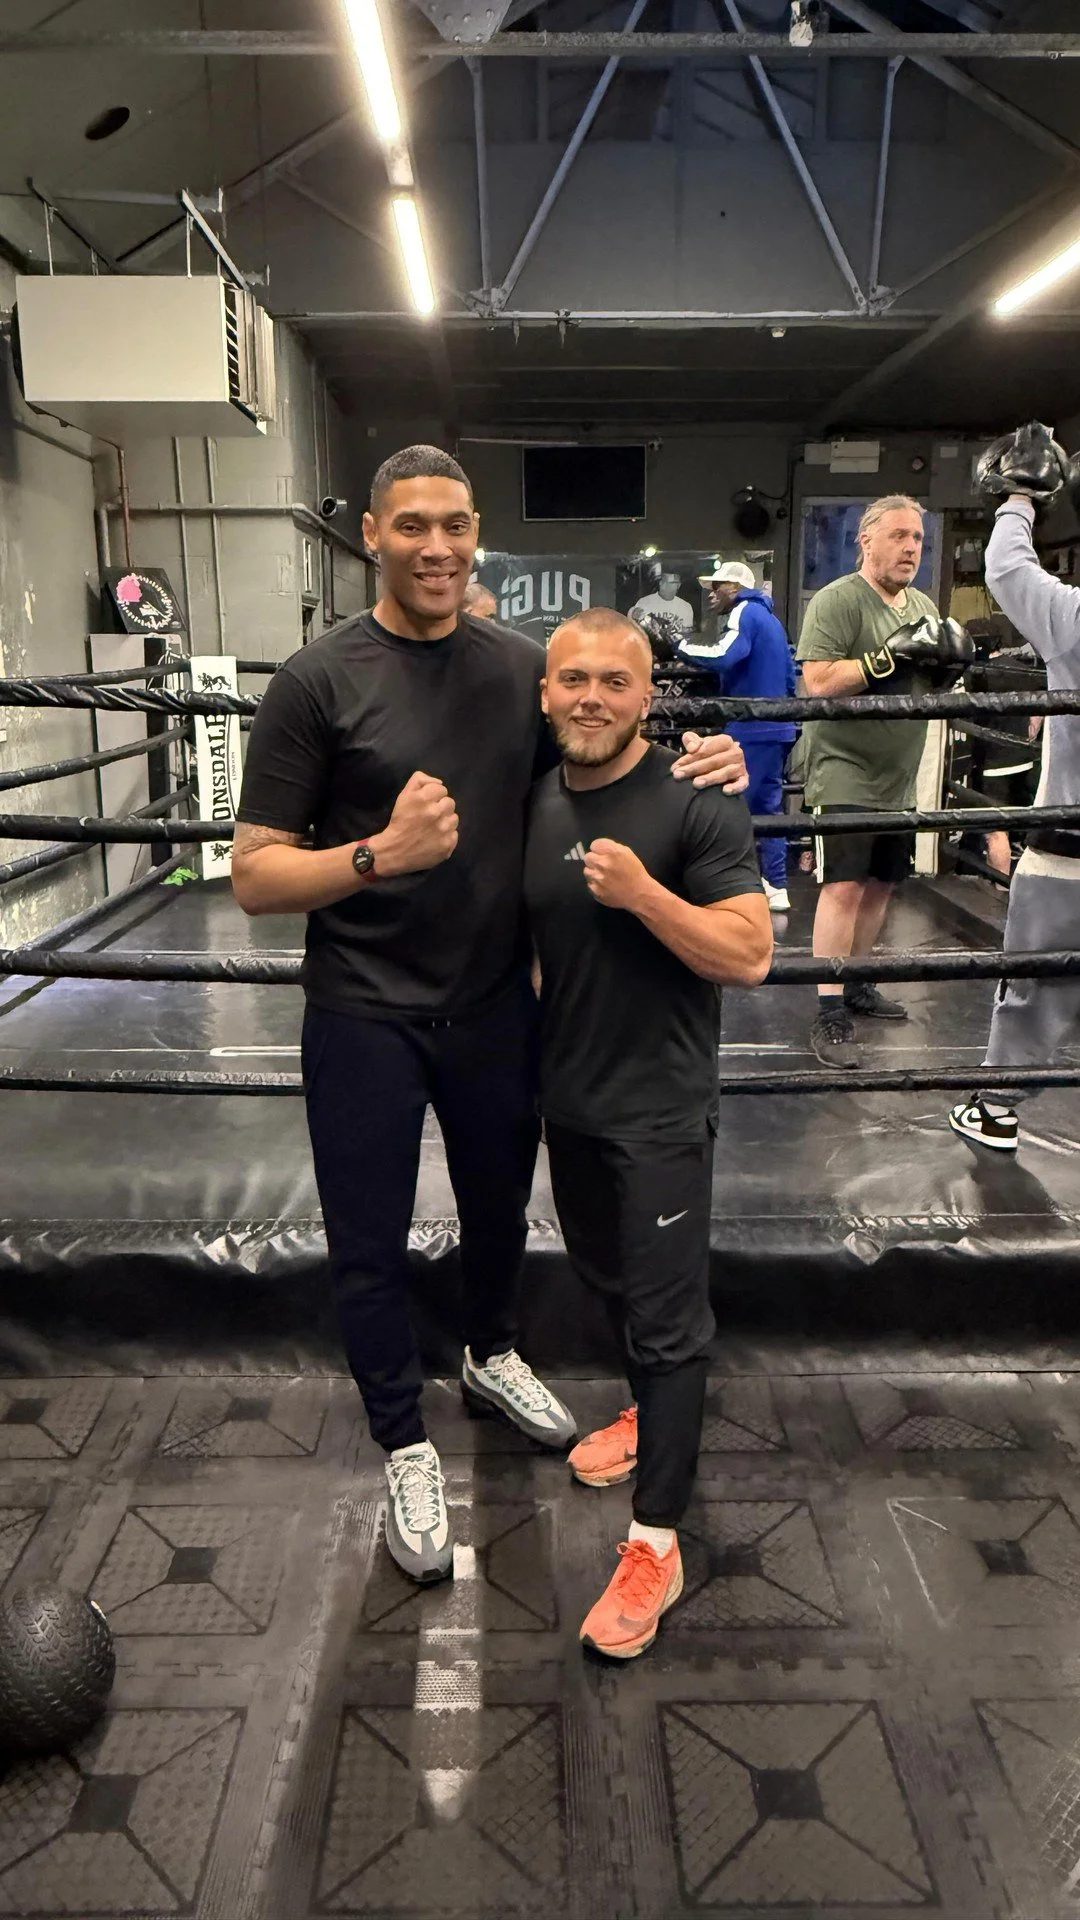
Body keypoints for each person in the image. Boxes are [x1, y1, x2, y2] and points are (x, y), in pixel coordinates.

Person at [230, 444, 750, 1586]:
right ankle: (403, 1444)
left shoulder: (521, 668)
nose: (437, 547)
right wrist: (377, 853)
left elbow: (603, 743)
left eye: (456, 525)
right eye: (412, 525)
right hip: (362, 1011)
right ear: (372, 533)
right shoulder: (315, 681)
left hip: (494, 1006)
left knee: (501, 1213)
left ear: (477, 535)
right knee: (368, 1240)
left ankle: (490, 1352)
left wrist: (703, 761)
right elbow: (255, 877)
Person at [525, 609, 772, 1659]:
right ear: (547, 693)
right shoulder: (535, 795)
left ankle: (657, 1543)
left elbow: (749, 954)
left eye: (614, 683)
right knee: (605, 1279)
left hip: (661, 1110)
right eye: (573, 680)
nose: (592, 698)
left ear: (648, 696)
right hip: (570, 1103)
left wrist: (643, 896)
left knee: (670, 1323)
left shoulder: (696, 797)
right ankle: (643, 1412)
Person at [796, 496, 972, 1069]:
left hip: (900, 773)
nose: (911, 548)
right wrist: (882, 660)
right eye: (899, 535)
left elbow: (929, 686)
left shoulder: (922, 607)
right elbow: (819, 683)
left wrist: (950, 671)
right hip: (844, 767)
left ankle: (856, 981)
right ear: (866, 540)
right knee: (844, 887)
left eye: (918, 538)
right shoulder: (837, 600)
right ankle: (828, 1009)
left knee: (880, 887)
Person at [948, 422, 1080, 1152]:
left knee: (1034, 978)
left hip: (1068, 845)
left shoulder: (1076, 618)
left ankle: (997, 1104)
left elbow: (1004, 568)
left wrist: (1021, 499)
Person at [678, 559, 797, 912]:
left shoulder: (745, 611)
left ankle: (728, 888)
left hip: (753, 726)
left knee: (730, 806)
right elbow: (789, 678)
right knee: (768, 808)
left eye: (717, 587)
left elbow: (725, 654)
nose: (711, 594)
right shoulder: (771, 620)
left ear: (735, 588)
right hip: (776, 726)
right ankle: (776, 884)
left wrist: (677, 645)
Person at [630, 570, 694, 639]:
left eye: (676, 583)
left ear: (679, 585)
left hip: (675, 645)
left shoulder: (686, 607)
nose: (674, 586)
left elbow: (688, 635)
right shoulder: (644, 603)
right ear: (661, 583)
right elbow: (633, 630)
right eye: (671, 583)